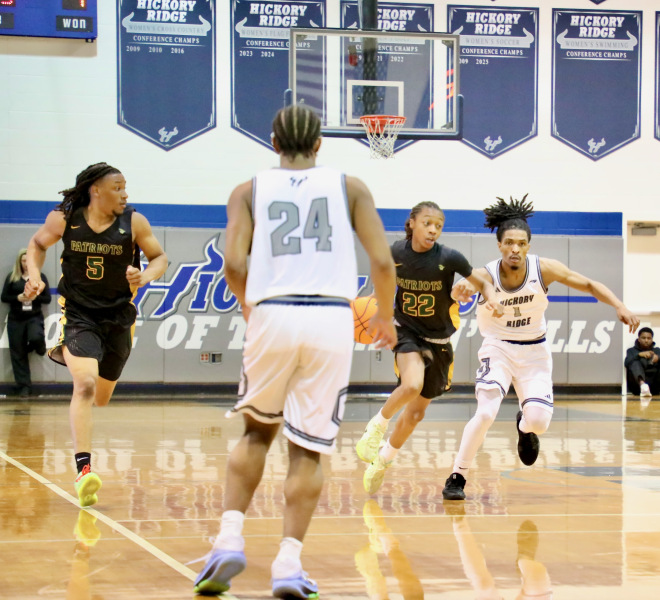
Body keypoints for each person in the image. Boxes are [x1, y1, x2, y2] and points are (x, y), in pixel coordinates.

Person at [193, 104, 397, 599]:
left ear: (273, 142)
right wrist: (386, 316)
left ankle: (229, 539)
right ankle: (288, 564)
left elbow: (233, 262)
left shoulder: (247, 191)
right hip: (330, 317)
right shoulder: (350, 187)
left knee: (256, 431)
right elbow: (382, 261)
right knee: (307, 449)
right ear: (319, 143)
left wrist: (249, 306)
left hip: (273, 312)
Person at [442, 196, 639, 501]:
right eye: (509, 243)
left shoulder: (544, 269)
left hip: (534, 351)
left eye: (521, 243)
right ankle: (457, 476)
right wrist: (461, 289)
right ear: (499, 245)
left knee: (539, 423)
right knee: (486, 413)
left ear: (529, 246)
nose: (515, 249)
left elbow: (588, 284)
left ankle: (524, 427)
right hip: (498, 348)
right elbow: (461, 289)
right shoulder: (484, 274)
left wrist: (619, 305)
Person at [23, 162, 167, 508]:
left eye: (125, 187)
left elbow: (160, 258)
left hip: (118, 318)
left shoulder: (134, 222)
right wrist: (34, 275)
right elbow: (37, 244)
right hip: (79, 315)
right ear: (96, 190)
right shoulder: (64, 219)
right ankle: (84, 472)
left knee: (100, 397)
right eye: (118, 187)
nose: (125, 194)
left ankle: (77, 360)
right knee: (84, 384)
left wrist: (145, 276)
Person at [355, 201, 503, 495]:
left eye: (438, 225)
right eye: (427, 223)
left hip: (439, 342)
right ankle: (375, 428)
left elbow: (483, 283)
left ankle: (383, 460)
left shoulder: (449, 258)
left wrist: (492, 298)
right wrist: (375, 306)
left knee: (415, 414)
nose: (433, 230)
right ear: (412, 223)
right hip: (407, 331)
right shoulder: (396, 253)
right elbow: (382, 279)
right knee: (411, 384)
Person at [2, 248, 51, 396]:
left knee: (35, 337)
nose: (25, 263)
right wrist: (18, 298)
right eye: (23, 260)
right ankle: (24, 386)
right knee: (17, 353)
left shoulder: (40, 277)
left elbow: (47, 299)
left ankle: (39, 347)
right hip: (16, 319)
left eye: (28, 260)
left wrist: (35, 297)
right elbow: (4, 297)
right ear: (20, 262)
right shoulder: (12, 277)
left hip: (33, 317)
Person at [624, 327, 660, 399]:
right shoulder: (631, 351)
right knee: (634, 362)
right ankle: (643, 386)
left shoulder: (657, 350)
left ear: (652, 339)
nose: (646, 340)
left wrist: (658, 358)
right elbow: (627, 363)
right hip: (638, 386)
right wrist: (639, 355)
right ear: (639, 339)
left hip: (654, 385)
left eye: (649, 338)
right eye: (643, 338)